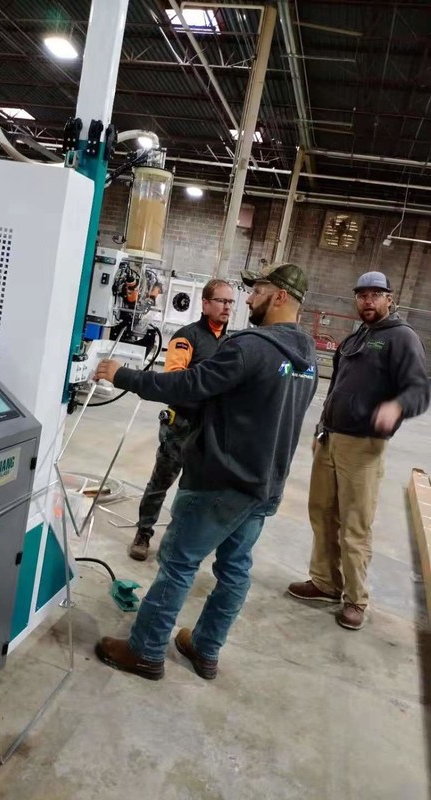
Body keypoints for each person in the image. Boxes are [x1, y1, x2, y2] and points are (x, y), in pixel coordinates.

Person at [93, 263, 317, 681]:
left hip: (220, 482)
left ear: (280, 296)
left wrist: (123, 375)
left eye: (257, 291)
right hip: (264, 486)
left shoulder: (250, 347)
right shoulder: (308, 360)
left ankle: (145, 651)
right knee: (235, 571)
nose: (247, 300)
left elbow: (187, 386)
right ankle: (205, 648)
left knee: (178, 564)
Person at [288, 271, 429, 631]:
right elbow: (335, 387)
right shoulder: (356, 337)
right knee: (322, 513)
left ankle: (355, 598)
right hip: (331, 438)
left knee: (355, 524)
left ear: (389, 299)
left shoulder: (402, 338)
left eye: (375, 295)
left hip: (364, 446)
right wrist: (322, 425)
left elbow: (418, 389)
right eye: (362, 295)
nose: (367, 300)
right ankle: (325, 582)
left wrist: (397, 407)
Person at [129, 278, 234, 561]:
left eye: (230, 302)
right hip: (181, 425)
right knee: (161, 482)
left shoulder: (232, 343)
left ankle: (182, 542)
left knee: (197, 490)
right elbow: (175, 380)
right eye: (221, 301)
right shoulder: (187, 337)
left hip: (211, 429)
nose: (227, 307)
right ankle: (143, 532)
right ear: (205, 304)